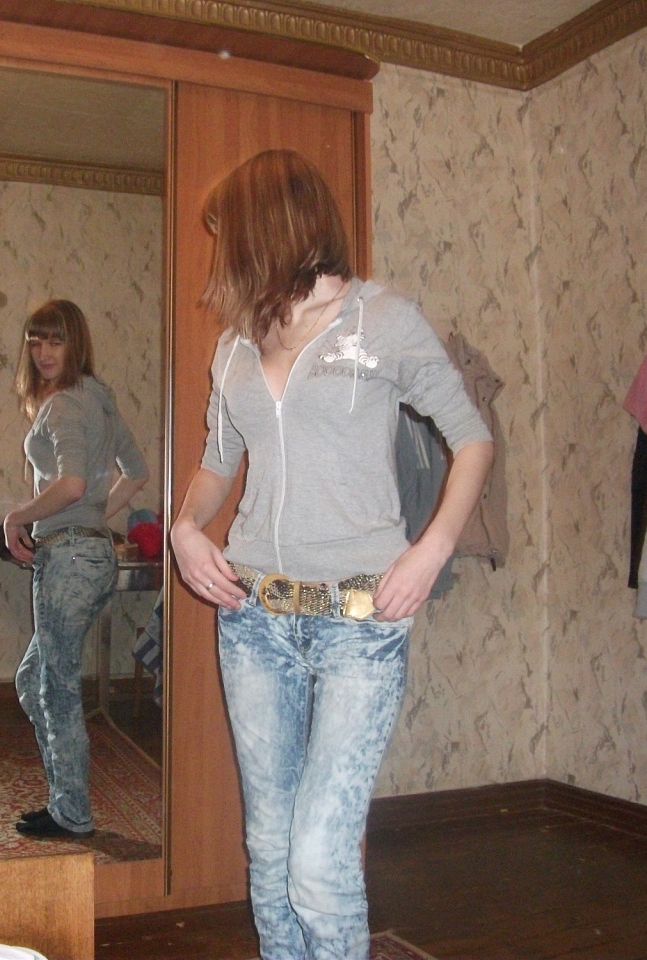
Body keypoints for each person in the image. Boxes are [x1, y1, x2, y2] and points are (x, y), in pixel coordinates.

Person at [169, 150, 494, 959]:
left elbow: (472, 437)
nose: (221, 252)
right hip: (254, 618)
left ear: (269, 225)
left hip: (361, 620)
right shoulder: (234, 347)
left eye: (228, 231)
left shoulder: (381, 320)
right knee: (270, 849)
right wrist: (184, 529)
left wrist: (431, 549)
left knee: (316, 861)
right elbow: (217, 465)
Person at [4, 298, 148, 839]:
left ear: (76, 343)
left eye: (55, 340)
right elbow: (136, 472)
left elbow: (71, 484)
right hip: (94, 556)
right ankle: (67, 793)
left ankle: (72, 812)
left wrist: (18, 516)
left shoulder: (63, 403)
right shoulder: (99, 398)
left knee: (56, 688)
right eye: (35, 341)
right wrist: (93, 518)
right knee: (33, 680)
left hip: (67, 558)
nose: (43, 352)